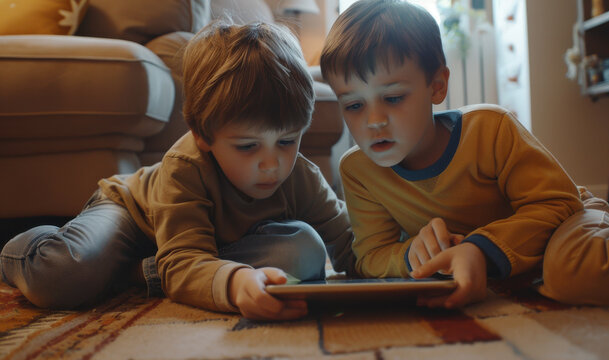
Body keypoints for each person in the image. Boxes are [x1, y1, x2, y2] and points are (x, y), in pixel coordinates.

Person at [1, 22, 356, 320]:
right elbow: (184, 258)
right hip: (134, 214)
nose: (272, 163)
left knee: (303, 251)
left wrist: (405, 262)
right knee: (63, 274)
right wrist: (234, 284)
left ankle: (142, 272)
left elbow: (350, 243)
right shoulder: (185, 166)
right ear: (202, 134)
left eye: (287, 141)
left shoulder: (301, 177)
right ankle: (17, 248)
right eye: (247, 146)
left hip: (193, 249)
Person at [319, 0, 609, 308]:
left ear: (436, 86)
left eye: (393, 98)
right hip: (505, 258)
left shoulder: (490, 129)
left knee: (573, 273)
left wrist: (480, 250)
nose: (374, 120)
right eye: (354, 105)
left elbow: (558, 202)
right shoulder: (359, 170)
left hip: (565, 218)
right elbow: (371, 256)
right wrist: (410, 255)